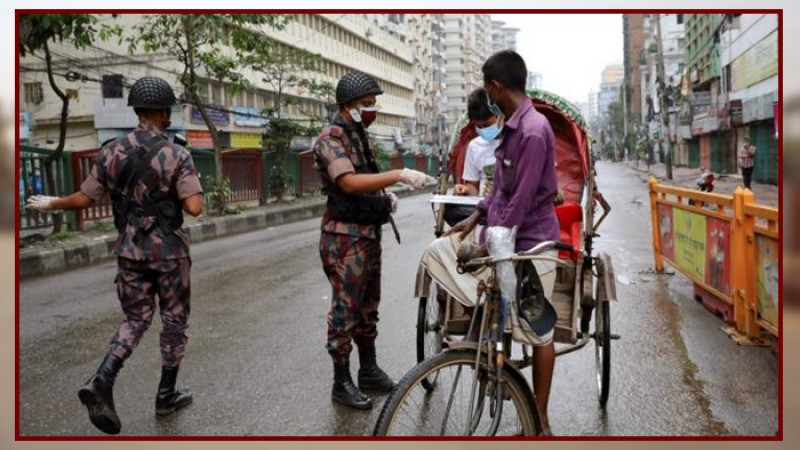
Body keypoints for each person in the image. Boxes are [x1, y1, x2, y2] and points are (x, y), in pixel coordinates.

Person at [27, 76, 203, 435]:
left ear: (137, 110)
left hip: (129, 251)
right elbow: (195, 208)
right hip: (169, 253)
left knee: (136, 319)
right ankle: (166, 394)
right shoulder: (177, 153)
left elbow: (84, 198)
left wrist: (52, 203)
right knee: (173, 321)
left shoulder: (110, 151)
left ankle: (102, 379)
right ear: (162, 112)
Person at [422, 50, 561, 435]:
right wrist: (473, 218)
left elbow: (523, 199)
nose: (488, 94)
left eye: (487, 87)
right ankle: (484, 338)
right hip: (501, 239)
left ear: (496, 87)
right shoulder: (511, 129)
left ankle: (540, 417)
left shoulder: (532, 131)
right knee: (439, 251)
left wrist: (490, 243)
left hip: (531, 245)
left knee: (538, 330)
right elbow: (500, 190)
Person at [313, 71, 435, 410]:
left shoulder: (358, 135)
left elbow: (365, 179)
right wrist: (398, 175)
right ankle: (342, 381)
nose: (372, 109)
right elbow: (349, 183)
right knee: (345, 310)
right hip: (344, 239)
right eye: (367, 104)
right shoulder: (330, 138)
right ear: (348, 105)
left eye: (372, 104)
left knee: (368, 307)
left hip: (366, 233)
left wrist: (385, 197)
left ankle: (368, 370)